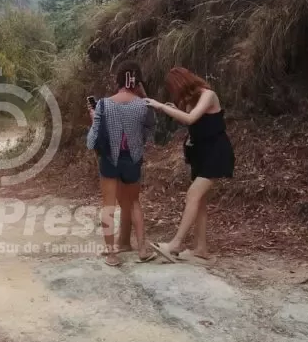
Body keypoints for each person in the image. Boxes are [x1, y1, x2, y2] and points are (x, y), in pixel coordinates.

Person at [145, 67, 235, 260]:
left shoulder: (208, 95)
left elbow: (191, 118)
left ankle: (176, 243)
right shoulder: (190, 101)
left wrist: (161, 106)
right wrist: (175, 109)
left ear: (182, 83)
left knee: (193, 194)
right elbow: (191, 122)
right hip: (200, 154)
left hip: (216, 152)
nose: (175, 93)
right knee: (200, 201)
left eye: (174, 88)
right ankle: (201, 249)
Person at [86, 61, 157, 265]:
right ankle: (142, 249)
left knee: (108, 205)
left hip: (109, 159)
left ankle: (112, 254)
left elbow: (92, 140)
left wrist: (94, 118)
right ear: (137, 81)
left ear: (118, 80)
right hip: (132, 159)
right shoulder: (143, 105)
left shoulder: (104, 104)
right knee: (134, 202)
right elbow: (151, 130)